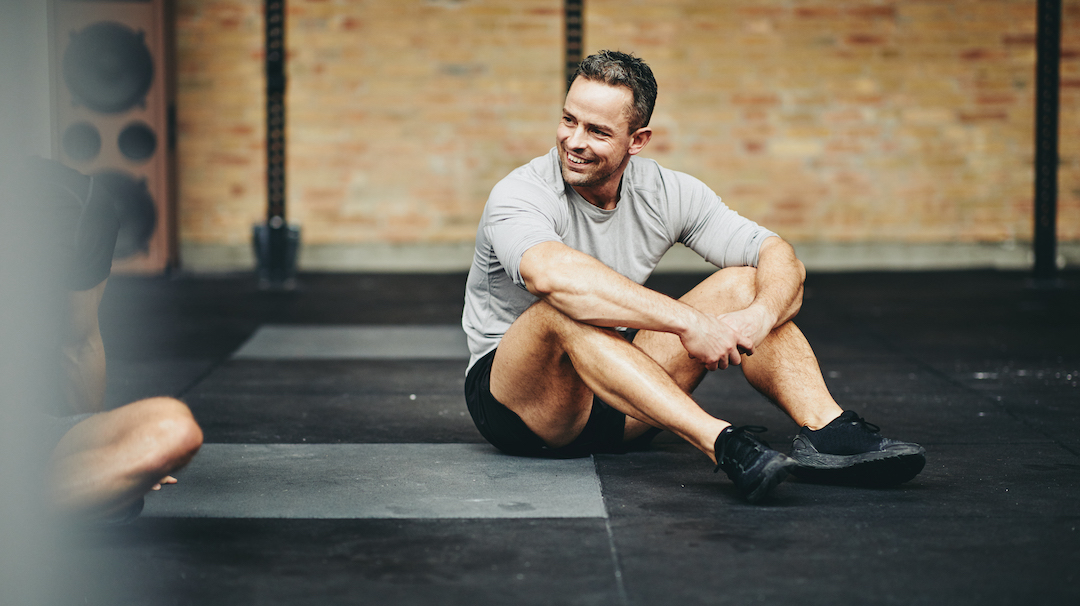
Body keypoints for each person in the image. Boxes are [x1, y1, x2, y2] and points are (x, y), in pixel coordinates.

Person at [461, 50, 925, 503]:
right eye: (569, 121)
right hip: (523, 406)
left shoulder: (666, 192)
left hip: (624, 396)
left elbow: (778, 255)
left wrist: (759, 317)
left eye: (598, 131)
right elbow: (550, 276)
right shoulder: (521, 193)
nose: (575, 141)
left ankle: (830, 432)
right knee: (560, 311)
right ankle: (723, 444)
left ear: (637, 140)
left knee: (747, 281)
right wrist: (689, 322)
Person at [24, 157, 203, 522]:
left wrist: (108, 455)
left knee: (174, 429)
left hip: (29, 428)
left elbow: (79, 343)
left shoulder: (77, 200)